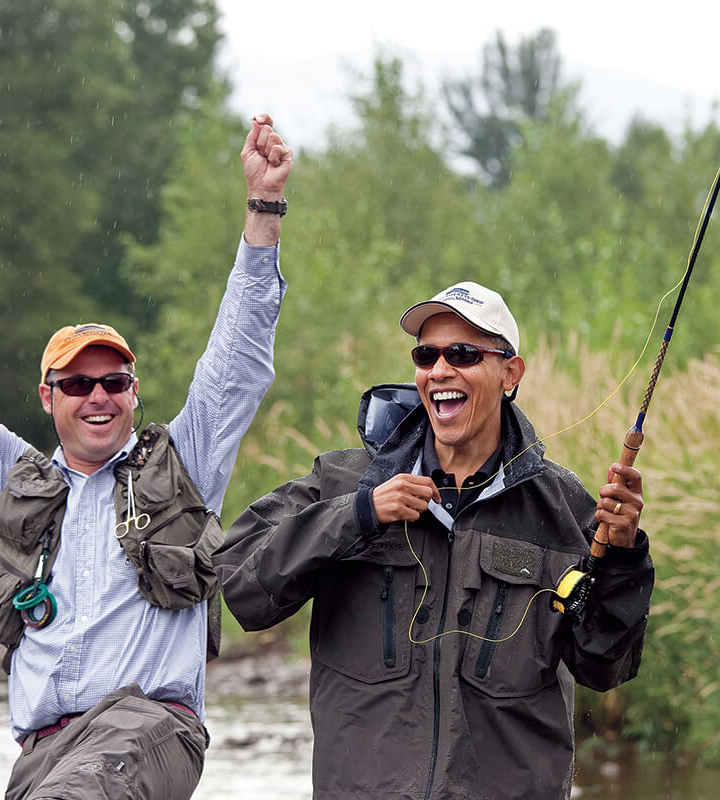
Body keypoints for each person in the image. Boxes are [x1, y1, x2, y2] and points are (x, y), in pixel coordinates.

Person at [0, 114, 293, 800]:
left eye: (113, 382)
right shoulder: (12, 484)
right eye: (77, 384)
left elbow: (238, 358)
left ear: (134, 393)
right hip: (43, 752)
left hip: (150, 731)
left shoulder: (184, 466)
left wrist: (264, 209)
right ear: (48, 398)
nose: (97, 396)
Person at [214, 280, 655, 798]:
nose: (440, 370)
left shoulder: (564, 509)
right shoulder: (343, 483)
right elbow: (241, 585)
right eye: (426, 355)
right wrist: (358, 514)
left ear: (510, 373)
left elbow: (604, 667)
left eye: (463, 354)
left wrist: (623, 556)